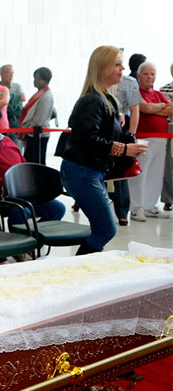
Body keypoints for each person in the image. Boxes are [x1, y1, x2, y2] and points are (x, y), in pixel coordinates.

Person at [60, 46, 147, 255]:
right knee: (106, 228)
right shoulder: (93, 100)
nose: (122, 68)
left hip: (90, 170)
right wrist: (124, 148)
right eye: (117, 64)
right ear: (103, 67)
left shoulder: (105, 98)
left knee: (103, 228)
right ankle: (77, 272)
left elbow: (98, 136)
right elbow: (87, 140)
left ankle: (83, 271)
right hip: (82, 171)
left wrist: (124, 138)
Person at [0, 107, 65, 228]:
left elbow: (23, 163)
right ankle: (19, 242)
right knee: (23, 211)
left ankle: (34, 239)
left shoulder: (7, 140)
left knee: (58, 208)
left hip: (25, 191)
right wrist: (5, 183)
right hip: (4, 194)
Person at [128, 62, 173, 222]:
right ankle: (136, 207)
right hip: (142, 139)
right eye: (146, 74)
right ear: (139, 76)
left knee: (156, 173)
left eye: (152, 74)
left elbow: (171, 109)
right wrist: (160, 108)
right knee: (141, 173)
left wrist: (156, 107)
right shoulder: (135, 92)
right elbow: (144, 108)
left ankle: (149, 206)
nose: (149, 77)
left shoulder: (158, 93)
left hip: (161, 139)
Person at [112, 53, 144, 226]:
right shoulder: (99, 82)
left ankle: (122, 213)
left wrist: (131, 134)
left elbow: (135, 109)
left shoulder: (129, 83)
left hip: (121, 130)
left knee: (120, 173)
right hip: (103, 131)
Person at [19, 67, 54, 164]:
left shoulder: (46, 96)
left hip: (38, 134)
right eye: (35, 78)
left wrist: (27, 129)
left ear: (46, 80)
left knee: (36, 162)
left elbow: (39, 120)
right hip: (32, 133)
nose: (35, 81)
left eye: (38, 78)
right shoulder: (40, 94)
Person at [0, 64, 25, 148]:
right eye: (9, 73)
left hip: (16, 122)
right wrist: (14, 98)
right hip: (1, 122)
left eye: (12, 73)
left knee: (16, 147)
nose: (11, 75)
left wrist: (5, 97)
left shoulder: (17, 86)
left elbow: (23, 98)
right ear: (1, 74)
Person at [159, 62, 173, 212]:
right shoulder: (164, 89)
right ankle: (168, 199)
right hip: (169, 129)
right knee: (168, 166)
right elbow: (165, 110)